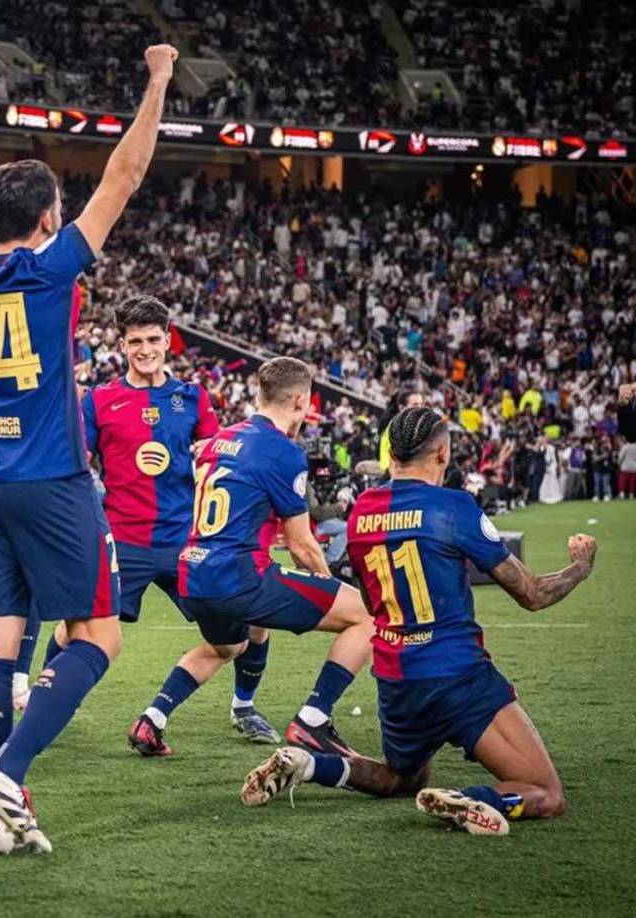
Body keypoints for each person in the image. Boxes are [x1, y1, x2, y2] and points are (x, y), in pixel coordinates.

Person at [0, 46, 178, 854]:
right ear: (46, 219)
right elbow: (128, 173)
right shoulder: (54, 265)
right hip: (49, 479)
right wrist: (156, 81)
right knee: (96, 636)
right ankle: (11, 768)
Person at [241, 407, 598, 837]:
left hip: (397, 680)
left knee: (402, 778)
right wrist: (580, 567)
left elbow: (375, 606)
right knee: (547, 793)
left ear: (389, 453)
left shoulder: (361, 515)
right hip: (458, 676)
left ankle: (308, 764)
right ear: (443, 453)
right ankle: (475, 799)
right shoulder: (453, 507)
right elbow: (533, 594)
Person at [60, 294, 281, 752]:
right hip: (124, 540)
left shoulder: (192, 397)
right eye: (135, 341)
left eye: (154, 339)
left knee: (242, 627)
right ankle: (51, 701)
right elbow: (79, 464)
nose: (146, 349)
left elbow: (217, 459)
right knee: (76, 627)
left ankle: (243, 706)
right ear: (122, 344)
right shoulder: (99, 400)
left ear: (168, 340)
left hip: (187, 543)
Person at [146, 357, 375, 760]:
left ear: (259, 392)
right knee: (363, 616)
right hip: (237, 576)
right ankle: (313, 719)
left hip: (194, 572)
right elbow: (302, 545)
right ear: (301, 402)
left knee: (227, 645)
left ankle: (152, 718)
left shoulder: (220, 439)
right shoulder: (282, 451)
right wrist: (329, 588)